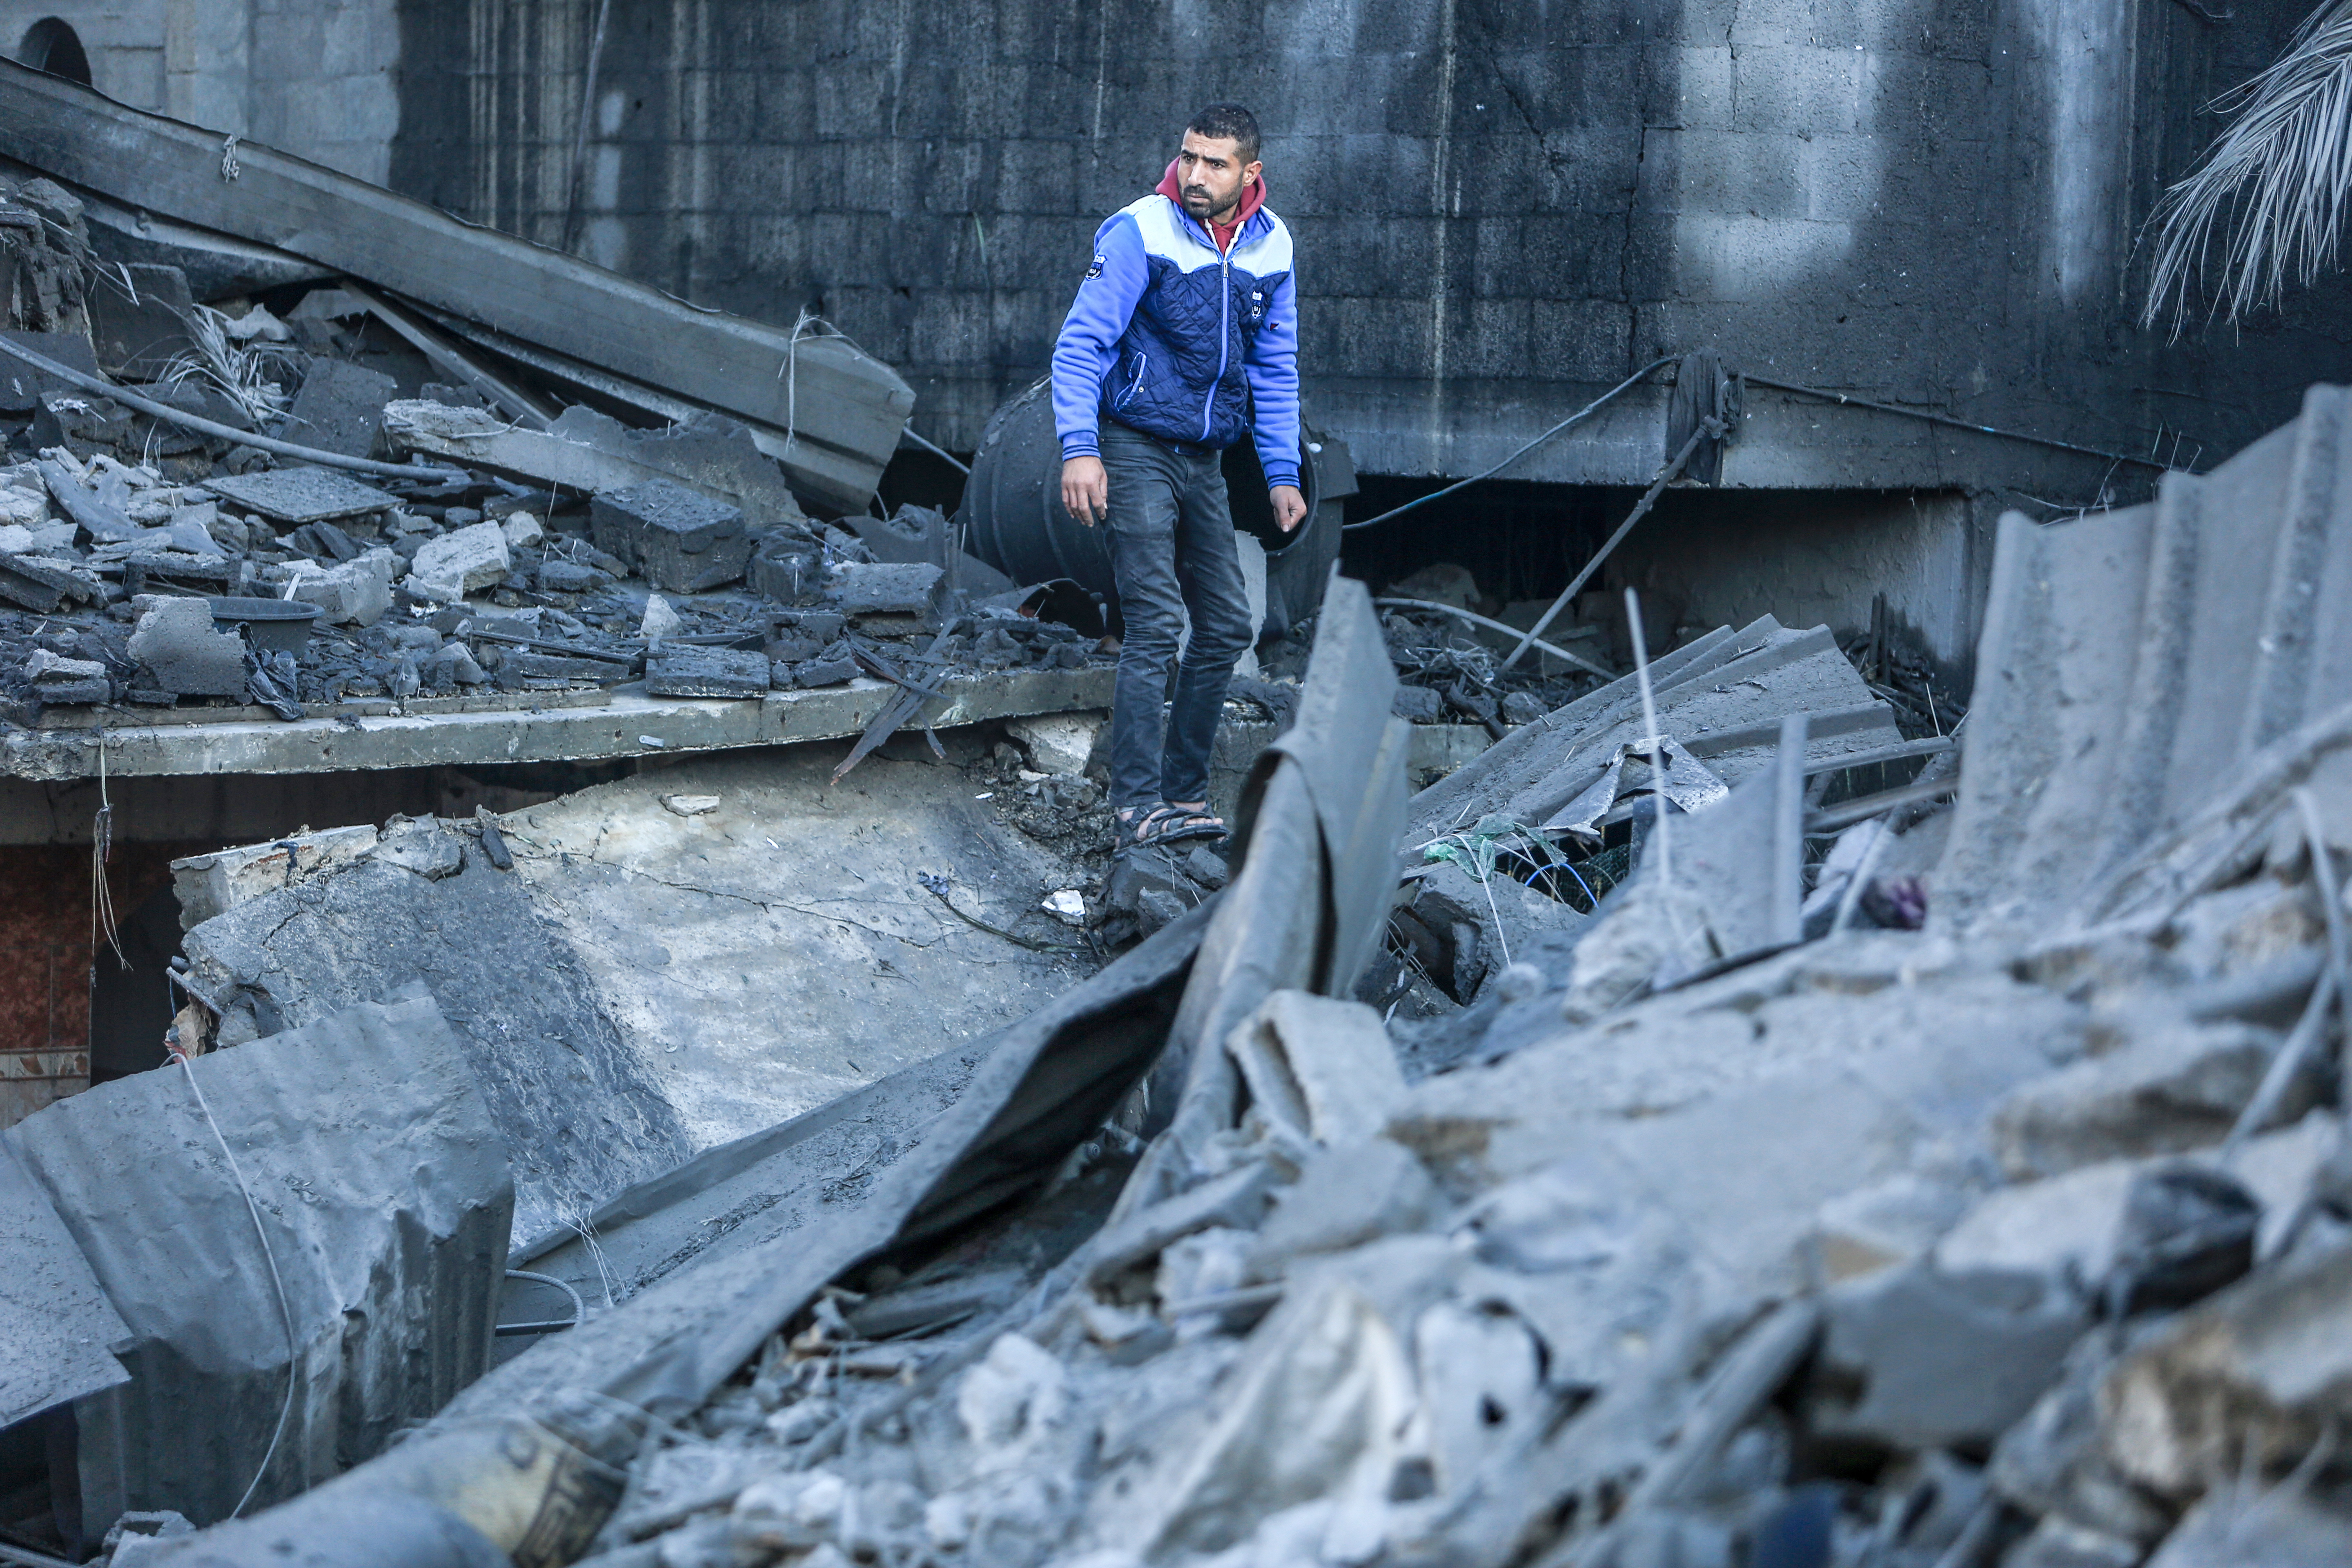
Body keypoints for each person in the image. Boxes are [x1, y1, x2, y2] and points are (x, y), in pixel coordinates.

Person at [1051, 102, 1305, 852]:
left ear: (1249, 174)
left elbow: (1276, 364)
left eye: (1215, 163)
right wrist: (1079, 448)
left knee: (1228, 622)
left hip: (1207, 458)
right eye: (1189, 157)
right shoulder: (1141, 229)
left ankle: (1184, 794)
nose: (1194, 175)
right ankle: (1135, 803)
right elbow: (1081, 343)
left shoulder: (1273, 246)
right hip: (1132, 445)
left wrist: (1282, 469)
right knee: (1157, 622)